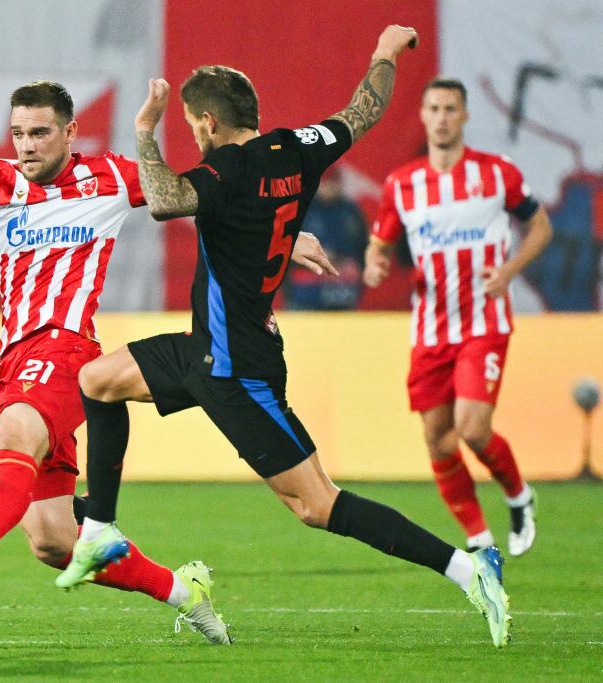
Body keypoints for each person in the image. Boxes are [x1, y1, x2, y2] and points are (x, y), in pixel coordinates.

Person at [57, 26, 514, 649]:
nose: (192, 133)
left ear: (210, 123)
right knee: (98, 381)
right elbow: (365, 110)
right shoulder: (299, 148)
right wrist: (382, 53)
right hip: (203, 349)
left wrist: (144, 130)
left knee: (317, 505)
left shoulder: (226, 166)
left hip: (240, 370)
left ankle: (468, 569)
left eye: (193, 124)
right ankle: (101, 528)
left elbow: (165, 200)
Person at [0, 80, 336, 645]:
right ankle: (183, 591)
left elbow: (204, 199)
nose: (26, 145)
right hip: (15, 356)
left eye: (40, 133)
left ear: (71, 132)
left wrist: (287, 235)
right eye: (19, 133)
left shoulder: (112, 176)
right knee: (52, 540)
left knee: (15, 433)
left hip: (67, 347)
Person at [363, 77, 552, 555]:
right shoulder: (402, 185)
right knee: (438, 441)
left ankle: (518, 495)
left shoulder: (496, 174)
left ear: (465, 115)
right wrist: (374, 262)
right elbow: (380, 242)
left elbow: (540, 225)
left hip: (484, 323)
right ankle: (480, 541)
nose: (443, 117)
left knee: (471, 429)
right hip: (430, 328)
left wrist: (509, 272)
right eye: (434, 108)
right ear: (423, 116)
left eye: (451, 108)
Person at [286, 166, 368, 310]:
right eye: (325, 183)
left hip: (343, 289)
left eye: (333, 183)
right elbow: (283, 247)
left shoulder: (350, 210)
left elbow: (361, 248)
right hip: (305, 291)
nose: (329, 188)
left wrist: (345, 260)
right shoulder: (301, 208)